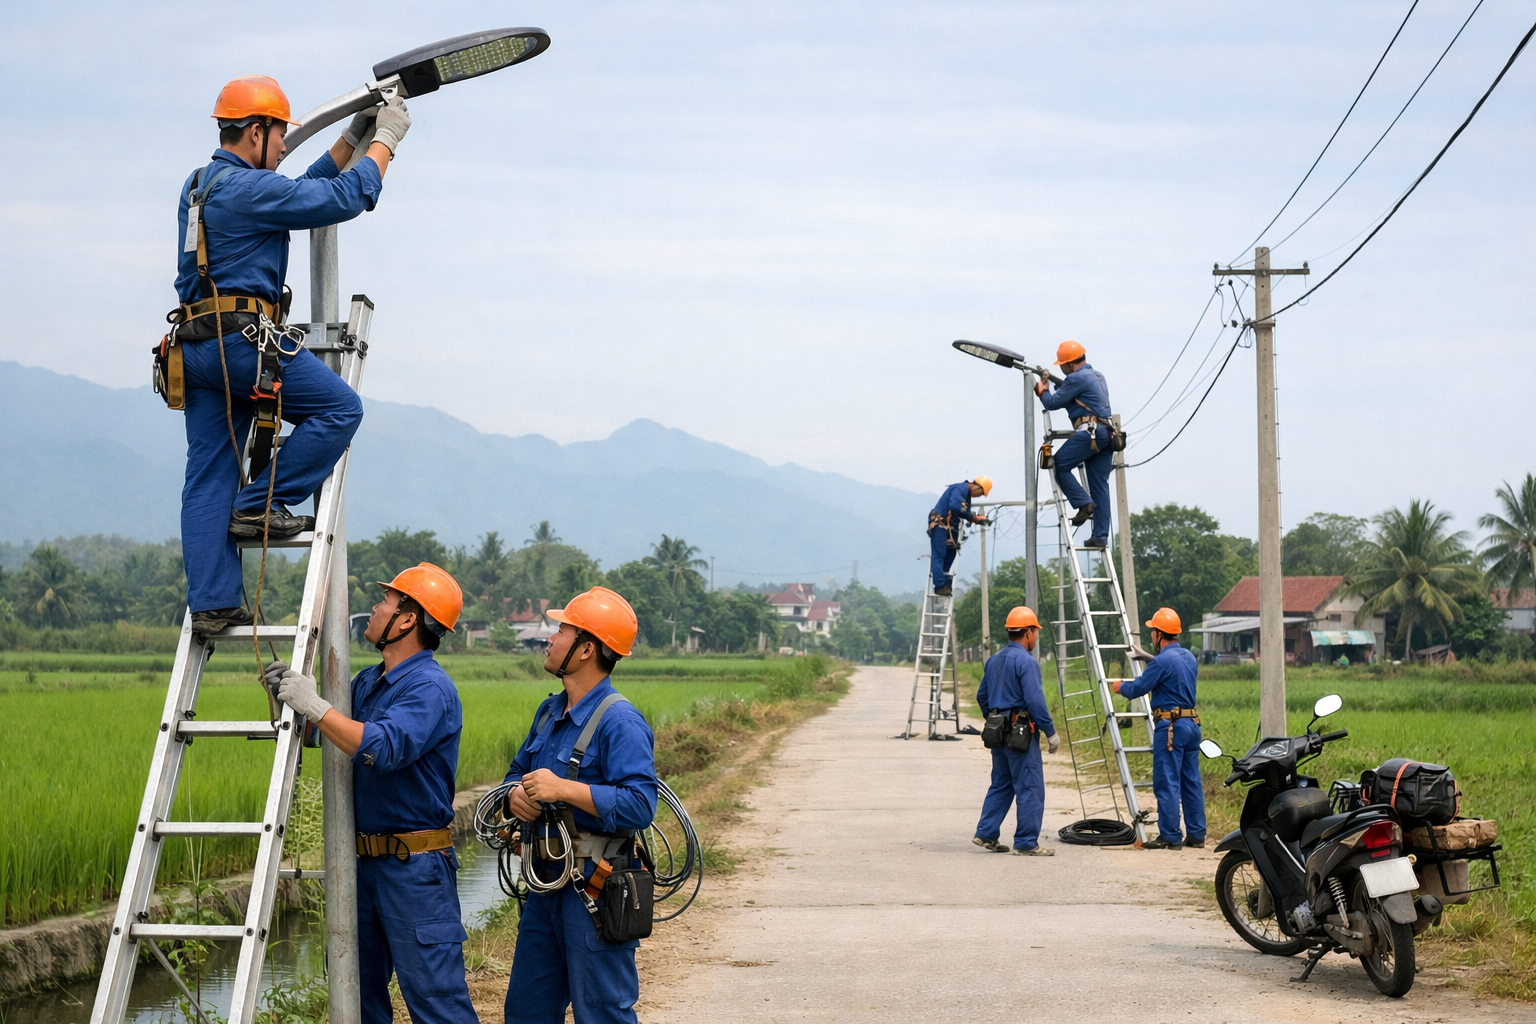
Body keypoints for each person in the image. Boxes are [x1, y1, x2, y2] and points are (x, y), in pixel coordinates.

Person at [176, 75, 412, 635]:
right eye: (280, 133)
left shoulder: (202, 186)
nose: (284, 145)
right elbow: (342, 198)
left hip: (198, 348)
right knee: (340, 410)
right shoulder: (248, 191)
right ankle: (262, 503)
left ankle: (212, 602)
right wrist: (387, 141)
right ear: (256, 130)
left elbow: (299, 187)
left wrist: (352, 139)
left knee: (210, 474)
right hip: (243, 342)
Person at [267, 562, 479, 1024]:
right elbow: (330, 736)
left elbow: (381, 747)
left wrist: (316, 705)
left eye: (385, 601)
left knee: (435, 1000)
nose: (374, 608)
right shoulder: (367, 682)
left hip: (415, 870)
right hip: (360, 867)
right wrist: (293, 705)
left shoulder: (429, 688)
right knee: (357, 997)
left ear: (407, 619)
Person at [501, 586, 658, 1024]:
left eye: (561, 631)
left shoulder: (620, 721)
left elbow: (641, 804)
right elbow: (516, 774)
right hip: (546, 884)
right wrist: (515, 796)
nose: (550, 639)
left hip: (595, 887)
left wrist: (563, 790)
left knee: (602, 1012)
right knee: (526, 1012)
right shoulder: (550, 712)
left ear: (586, 649)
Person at [1113, 607, 1204, 850]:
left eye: (1152, 631)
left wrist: (1118, 685)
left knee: (1168, 781)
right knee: (1191, 781)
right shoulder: (1188, 657)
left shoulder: (1162, 661)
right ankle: (1196, 835)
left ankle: (1171, 836)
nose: (1151, 635)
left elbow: (1137, 689)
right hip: (1192, 724)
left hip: (1170, 728)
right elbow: (1170, 669)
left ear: (1159, 634)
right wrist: (1148, 658)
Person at [973, 606, 1060, 856]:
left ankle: (986, 833)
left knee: (1001, 784)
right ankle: (1026, 842)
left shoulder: (994, 660)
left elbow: (982, 696)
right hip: (1020, 735)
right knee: (1030, 786)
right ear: (1029, 632)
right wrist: (1050, 732)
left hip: (997, 733)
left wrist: (994, 720)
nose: (1036, 637)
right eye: (1036, 632)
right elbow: (1034, 701)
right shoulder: (1026, 662)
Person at [1035, 340, 1113, 549]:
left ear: (1069, 364)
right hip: (1107, 435)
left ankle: (1083, 503)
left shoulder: (1076, 378)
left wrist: (1042, 390)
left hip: (1089, 432)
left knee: (1059, 465)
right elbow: (1073, 396)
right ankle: (1100, 537)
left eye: (1062, 364)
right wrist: (1056, 384)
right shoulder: (1097, 376)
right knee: (1100, 486)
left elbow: (1052, 403)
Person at [928, 476, 991, 596]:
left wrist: (972, 517)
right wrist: (973, 518)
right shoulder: (960, 489)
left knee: (950, 554)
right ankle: (939, 585)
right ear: (977, 486)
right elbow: (956, 506)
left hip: (951, 527)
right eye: (980, 493)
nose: (978, 496)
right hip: (940, 525)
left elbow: (962, 510)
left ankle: (946, 584)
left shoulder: (965, 495)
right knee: (939, 554)